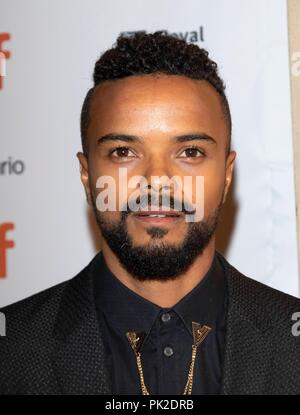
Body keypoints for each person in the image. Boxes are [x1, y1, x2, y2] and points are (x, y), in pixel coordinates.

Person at [1, 31, 300, 395]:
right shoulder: (11, 348)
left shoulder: (292, 341)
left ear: (226, 175)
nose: (157, 181)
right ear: (86, 175)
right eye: (124, 152)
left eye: (190, 152)